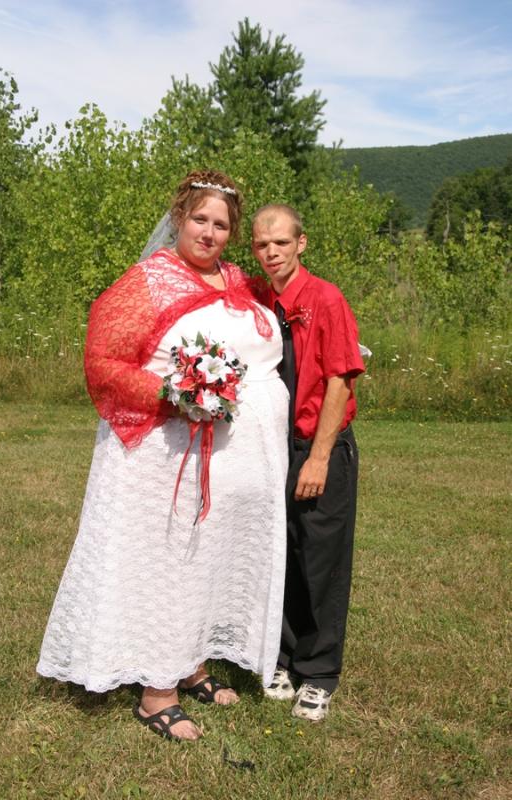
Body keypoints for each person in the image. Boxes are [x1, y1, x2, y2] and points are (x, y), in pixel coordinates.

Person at [37, 171, 288, 742]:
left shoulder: (238, 281)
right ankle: (156, 694)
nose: (209, 232)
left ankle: (192, 663)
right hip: (159, 456)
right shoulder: (147, 282)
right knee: (170, 563)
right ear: (178, 217)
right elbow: (103, 361)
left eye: (221, 224)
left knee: (205, 559)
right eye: (200, 219)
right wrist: (176, 396)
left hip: (222, 462)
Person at [251, 203, 365, 722]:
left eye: (280, 242)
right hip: (270, 448)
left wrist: (318, 458)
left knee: (321, 558)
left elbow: (341, 378)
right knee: (281, 553)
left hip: (318, 444)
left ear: (302, 243)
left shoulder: (326, 299)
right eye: (260, 244)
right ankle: (283, 658)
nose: (270, 252)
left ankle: (318, 673)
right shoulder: (256, 299)